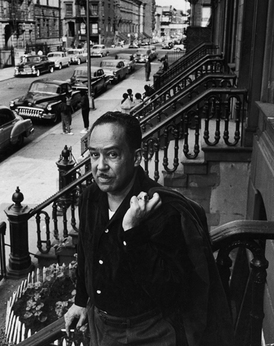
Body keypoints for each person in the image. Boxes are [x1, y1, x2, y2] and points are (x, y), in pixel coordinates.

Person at [64, 111, 234, 346]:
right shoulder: (90, 197)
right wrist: (81, 300)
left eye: (112, 154)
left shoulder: (163, 210)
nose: (100, 166)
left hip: (148, 332)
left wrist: (133, 233)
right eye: (94, 155)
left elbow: (173, 292)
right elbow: (86, 251)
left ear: (135, 158)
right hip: (101, 326)